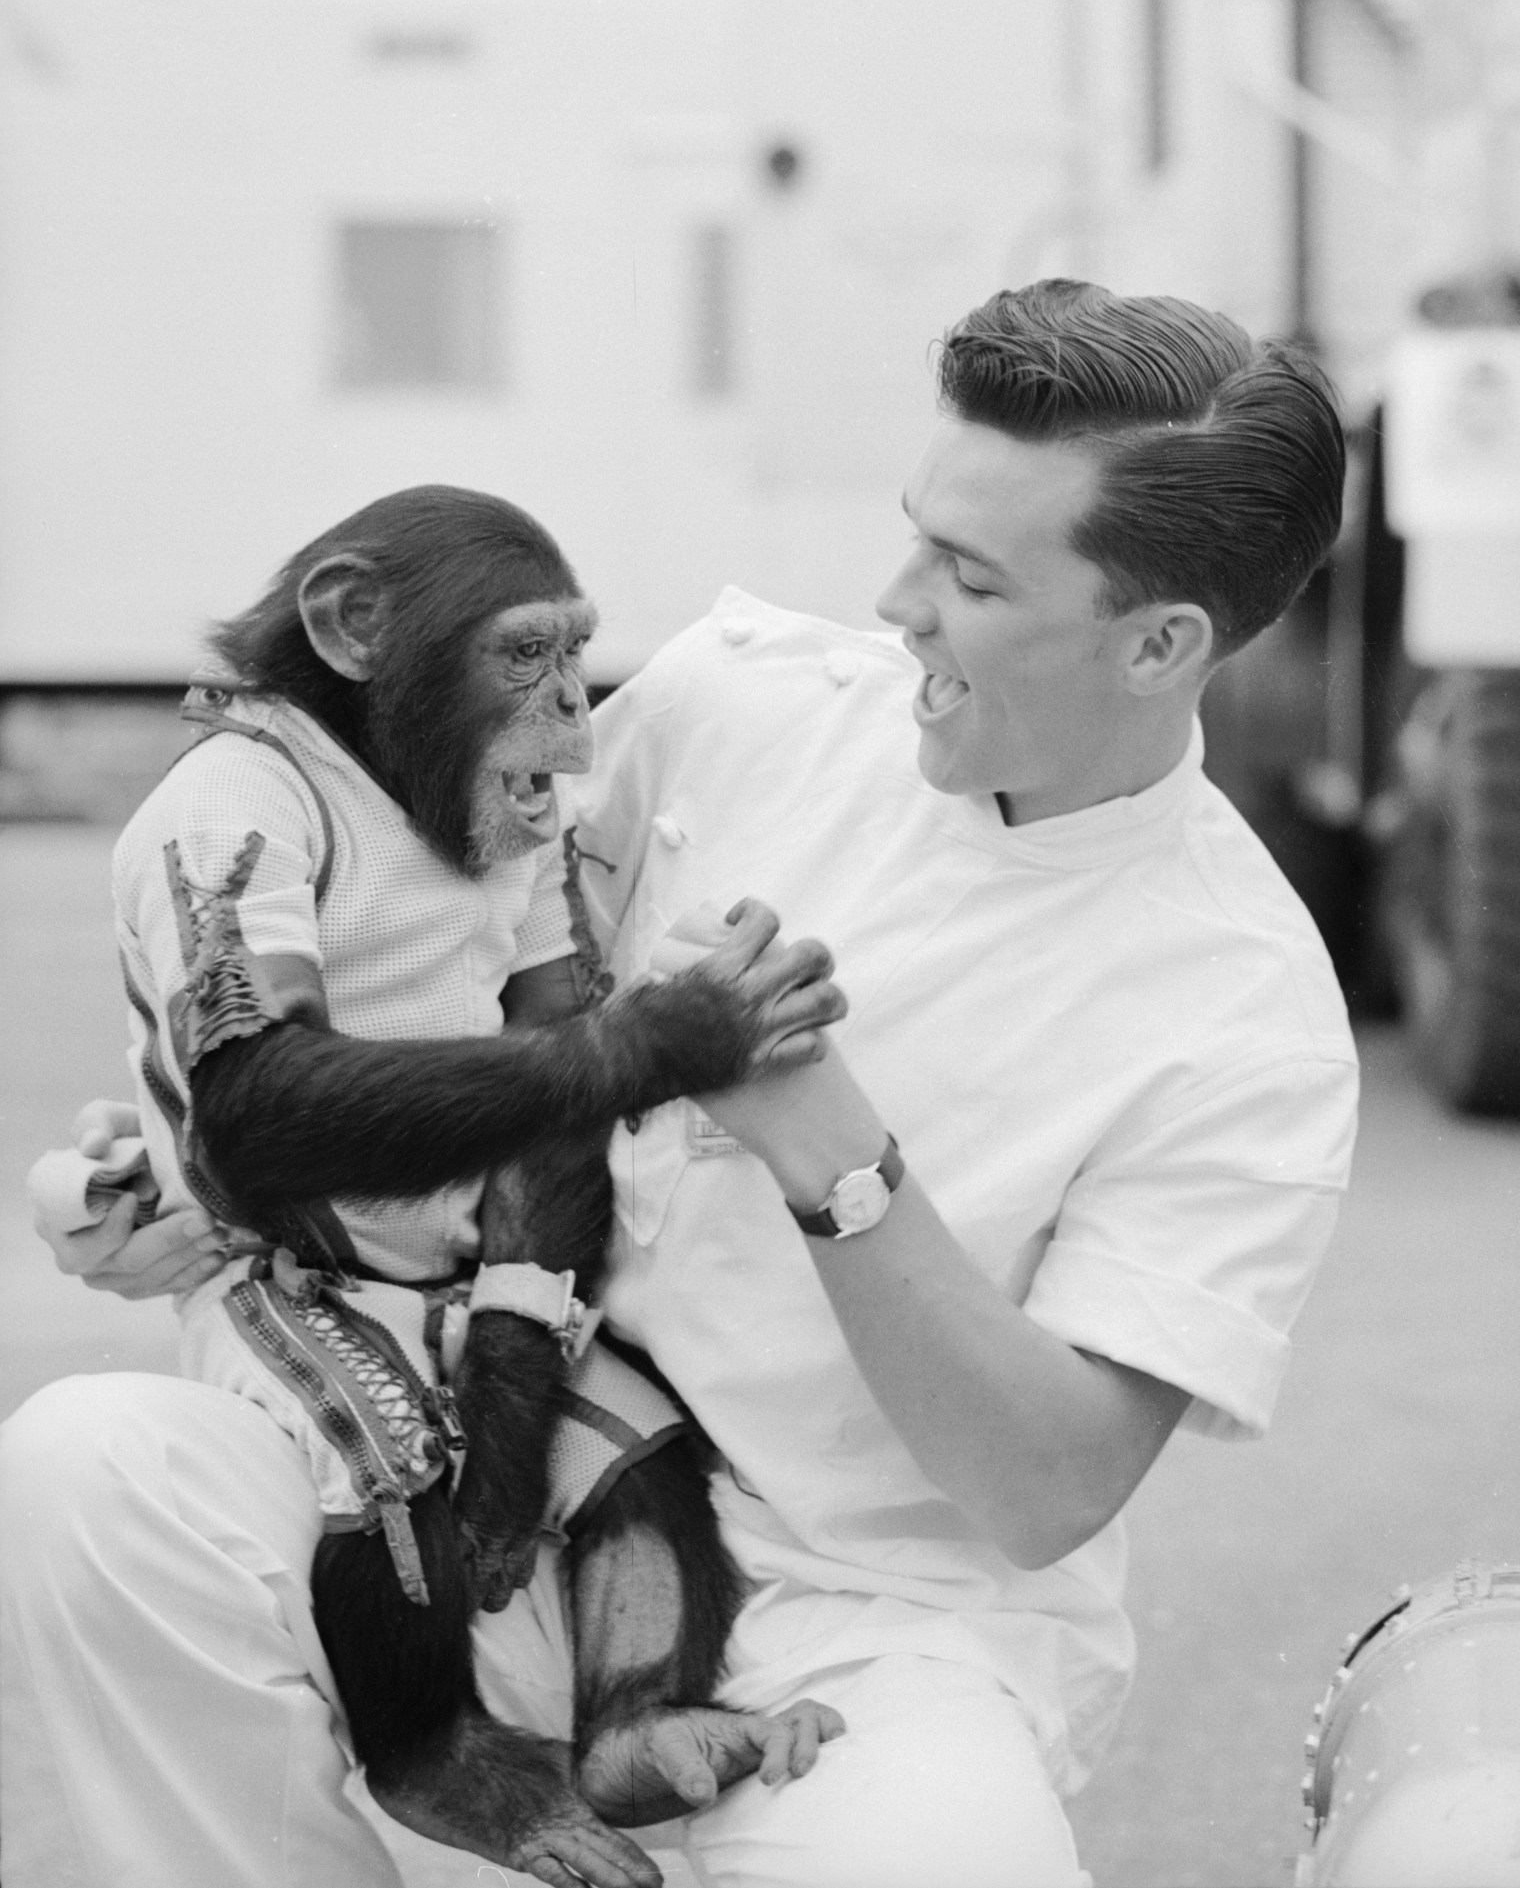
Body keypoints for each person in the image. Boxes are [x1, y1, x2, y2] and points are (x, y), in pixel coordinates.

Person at [5, 279, 1358, 1888]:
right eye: (918, 535)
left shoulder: (1244, 1009)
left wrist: (829, 1150)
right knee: (92, 1468)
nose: (899, 603)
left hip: (869, 1628)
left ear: (1160, 642)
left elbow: (1046, 1483)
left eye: (973, 576)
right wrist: (198, 1166)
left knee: (957, 1863)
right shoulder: (742, 703)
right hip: (485, 1484)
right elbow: (422, 978)